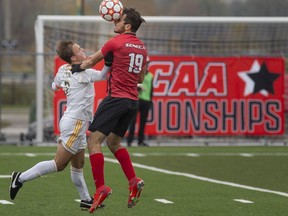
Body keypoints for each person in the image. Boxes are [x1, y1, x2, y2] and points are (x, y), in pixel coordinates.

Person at [9, 39, 112, 210]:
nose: (83, 49)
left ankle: (86, 199)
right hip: (76, 123)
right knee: (58, 164)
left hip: (73, 121)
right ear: (73, 58)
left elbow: (54, 85)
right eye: (79, 49)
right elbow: (102, 75)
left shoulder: (63, 69)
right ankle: (19, 178)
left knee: (78, 166)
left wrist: (61, 85)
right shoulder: (83, 74)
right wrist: (108, 61)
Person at [71, 7, 147, 213]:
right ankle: (133, 180)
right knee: (114, 142)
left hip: (116, 99)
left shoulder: (115, 42)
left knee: (93, 141)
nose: (115, 22)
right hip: (132, 101)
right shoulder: (142, 48)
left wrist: (74, 68)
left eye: (119, 20)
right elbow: (141, 78)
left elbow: (90, 61)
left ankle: (100, 188)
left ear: (127, 26)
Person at [127, 57, 153, 147]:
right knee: (133, 121)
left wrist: (150, 100)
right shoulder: (137, 73)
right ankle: (129, 140)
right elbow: (132, 84)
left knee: (143, 122)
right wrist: (139, 87)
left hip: (146, 101)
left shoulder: (150, 75)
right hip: (137, 99)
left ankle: (140, 141)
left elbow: (151, 89)